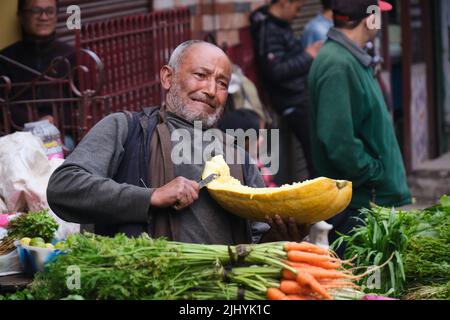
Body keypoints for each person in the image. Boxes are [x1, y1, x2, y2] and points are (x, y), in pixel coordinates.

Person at [47, 40, 310, 245]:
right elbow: (64, 188)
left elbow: (257, 241)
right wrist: (150, 196)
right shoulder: (125, 128)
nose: (210, 90)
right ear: (167, 77)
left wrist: (281, 234)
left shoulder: (237, 154)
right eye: (200, 75)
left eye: (221, 83)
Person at [308, 0, 412, 254]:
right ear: (370, 19)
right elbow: (338, 141)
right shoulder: (338, 64)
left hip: (361, 202)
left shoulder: (348, 57)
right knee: (363, 285)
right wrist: (375, 173)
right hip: (355, 207)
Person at [250, 0, 323, 178]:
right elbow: (276, 71)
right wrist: (309, 55)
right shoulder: (268, 29)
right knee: (316, 158)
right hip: (293, 102)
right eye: (297, 8)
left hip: (300, 98)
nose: (298, 14)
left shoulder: (279, 25)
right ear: (284, 3)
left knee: (318, 156)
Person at [0, 0, 75, 148]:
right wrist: (36, 121)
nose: (44, 17)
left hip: (61, 135)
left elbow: (82, 103)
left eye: (49, 11)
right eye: (35, 11)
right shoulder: (5, 58)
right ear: (21, 16)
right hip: (17, 138)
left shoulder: (71, 55)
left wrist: (53, 120)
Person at [218, 109, 277, 188]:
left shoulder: (258, 166)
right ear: (245, 140)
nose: (262, 139)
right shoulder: (237, 172)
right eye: (259, 135)